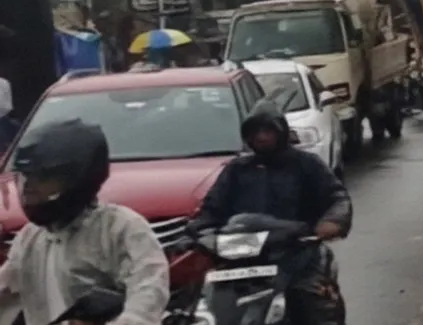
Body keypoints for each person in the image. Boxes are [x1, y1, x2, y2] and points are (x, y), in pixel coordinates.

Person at [191, 100, 352, 325]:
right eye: (255, 132)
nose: (261, 137)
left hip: (296, 254)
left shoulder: (306, 164)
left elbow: (337, 197)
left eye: (268, 131)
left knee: (314, 303)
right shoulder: (236, 170)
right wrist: (198, 232)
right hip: (240, 259)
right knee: (197, 303)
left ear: (281, 132)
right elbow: (211, 209)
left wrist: (332, 221)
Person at [0, 119, 169, 325]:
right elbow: (5, 288)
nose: (30, 188)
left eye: (42, 178)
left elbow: (148, 291)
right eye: (25, 178)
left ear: (78, 178)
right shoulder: (31, 238)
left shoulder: (119, 228)